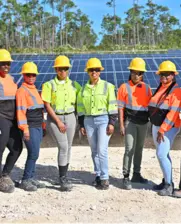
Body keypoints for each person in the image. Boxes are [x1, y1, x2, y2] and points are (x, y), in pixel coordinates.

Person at [77, 58, 118, 190]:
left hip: (103, 120)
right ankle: (98, 175)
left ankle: (105, 178)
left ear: (100, 71)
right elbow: (81, 108)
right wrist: (81, 124)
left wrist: (112, 122)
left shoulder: (108, 86)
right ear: (88, 72)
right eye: (91, 70)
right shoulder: (83, 89)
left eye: (96, 70)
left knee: (102, 149)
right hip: (88, 121)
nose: (94, 72)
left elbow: (112, 106)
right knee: (94, 150)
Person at [41, 55, 81, 192]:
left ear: (68, 69)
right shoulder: (49, 85)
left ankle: (65, 175)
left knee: (69, 147)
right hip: (55, 118)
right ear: (56, 70)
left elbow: (82, 101)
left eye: (65, 68)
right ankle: (62, 179)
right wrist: (58, 122)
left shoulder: (75, 85)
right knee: (63, 147)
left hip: (70, 117)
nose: (63, 71)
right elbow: (47, 104)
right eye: (60, 69)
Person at [117, 57, 152, 190]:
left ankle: (136, 174)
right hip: (130, 122)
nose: (136, 75)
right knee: (129, 149)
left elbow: (151, 107)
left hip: (143, 123)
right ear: (130, 72)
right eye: (134, 72)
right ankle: (126, 176)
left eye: (139, 73)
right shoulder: (123, 87)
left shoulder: (147, 88)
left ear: (142, 74)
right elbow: (120, 108)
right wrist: (121, 125)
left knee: (139, 149)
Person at [148, 60, 181, 197]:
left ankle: (169, 185)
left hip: (168, 127)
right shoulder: (160, 88)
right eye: (161, 74)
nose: (164, 77)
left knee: (161, 154)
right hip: (157, 126)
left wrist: (162, 129)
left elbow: (173, 113)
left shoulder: (177, 91)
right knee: (163, 154)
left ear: (173, 75)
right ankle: (166, 180)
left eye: (167, 74)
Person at [16, 62, 46, 191]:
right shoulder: (22, 91)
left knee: (36, 153)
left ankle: (31, 177)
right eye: (29, 75)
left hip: (38, 126)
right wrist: (25, 129)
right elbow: (21, 112)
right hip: (30, 127)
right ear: (24, 75)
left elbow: (39, 110)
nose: (31, 77)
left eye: (33, 75)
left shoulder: (34, 89)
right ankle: (26, 179)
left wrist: (43, 125)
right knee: (33, 153)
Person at [0, 49, 23, 193]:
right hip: (0, 117)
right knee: (0, 147)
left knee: (17, 148)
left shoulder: (13, 79)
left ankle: (5, 174)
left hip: (12, 118)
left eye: (8, 63)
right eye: (2, 64)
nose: (6, 66)